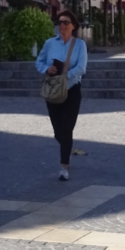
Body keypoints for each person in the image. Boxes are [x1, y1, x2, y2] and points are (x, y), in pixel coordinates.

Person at [35, 10, 87, 181]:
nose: (62, 26)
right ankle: (67, 145)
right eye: (60, 22)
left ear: (73, 26)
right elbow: (39, 61)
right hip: (53, 89)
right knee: (58, 131)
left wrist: (66, 76)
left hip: (72, 89)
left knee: (66, 128)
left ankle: (64, 167)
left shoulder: (79, 45)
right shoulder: (50, 43)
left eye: (66, 22)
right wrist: (46, 69)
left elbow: (81, 67)